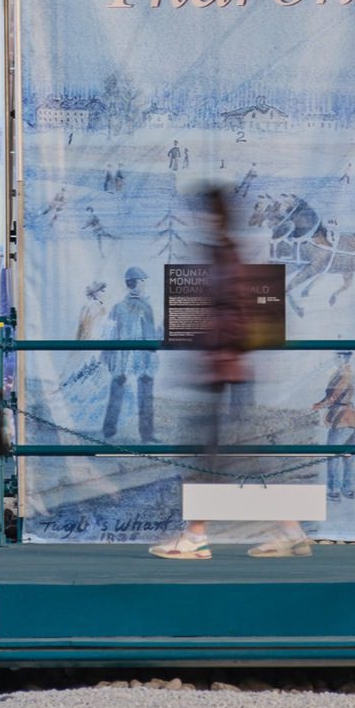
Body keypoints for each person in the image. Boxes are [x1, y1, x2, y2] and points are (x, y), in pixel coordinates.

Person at [153, 186, 306, 559]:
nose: (193, 219)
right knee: (223, 455)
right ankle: (279, 529)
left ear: (211, 215)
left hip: (224, 373)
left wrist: (212, 352)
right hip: (223, 371)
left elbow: (232, 315)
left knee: (224, 455)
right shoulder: (223, 252)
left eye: (199, 212)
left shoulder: (223, 255)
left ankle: (201, 535)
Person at [101, 265, 159, 441]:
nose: (145, 284)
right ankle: (147, 435)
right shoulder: (145, 307)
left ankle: (108, 431)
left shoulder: (118, 307)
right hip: (141, 357)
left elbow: (109, 334)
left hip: (122, 358)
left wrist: (109, 356)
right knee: (145, 393)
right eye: (143, 281)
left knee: (118, 391)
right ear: (138, 282)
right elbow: (150, 337)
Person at [313, 351, 355, 504]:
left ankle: (333, 491)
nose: (336, 358)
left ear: (345, 358)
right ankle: (348, 489)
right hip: (350, 419)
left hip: (341, 419)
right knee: (348, 456)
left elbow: (334, 396)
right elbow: (331, 396)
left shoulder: (345, 374)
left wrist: (319, 406)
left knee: (333, 456)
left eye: (339, 356)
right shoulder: (344, 373)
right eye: (336, 355)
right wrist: (320, 403)